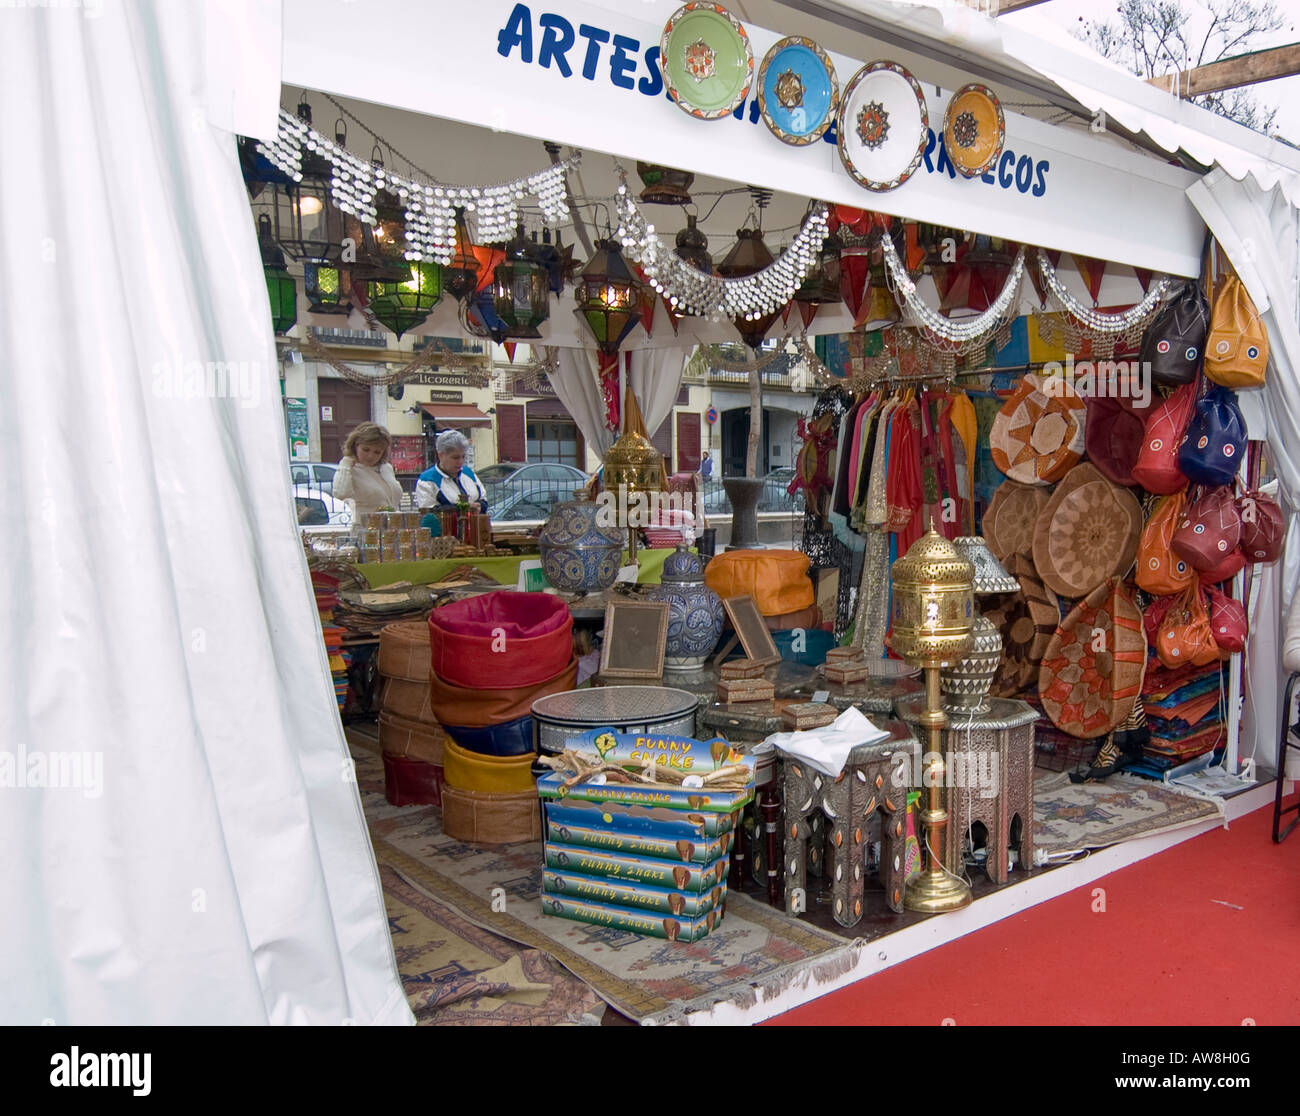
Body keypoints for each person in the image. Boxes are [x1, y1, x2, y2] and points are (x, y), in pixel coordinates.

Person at [332, 422, 404, 520]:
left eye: (377, 452)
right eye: (365, 450)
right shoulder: (349, 469)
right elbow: (341, 494)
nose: (371, 456)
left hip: (390, 530)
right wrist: (345, 465)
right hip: (364, 530)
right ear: (355, 446)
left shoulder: (386, 468)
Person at [416, 429, 489, 513]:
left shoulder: (468, 473)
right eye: (455, 457)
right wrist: (462, 508)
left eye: (463, 456)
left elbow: (484, 499)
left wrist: (479, 506)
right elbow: (429, 512)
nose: (461, 461)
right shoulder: (427, 480)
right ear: (440, 455)